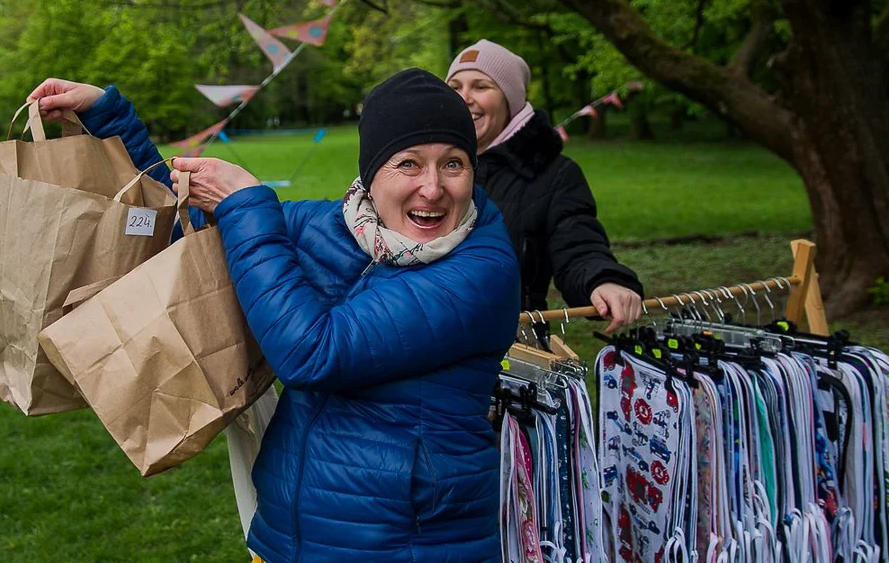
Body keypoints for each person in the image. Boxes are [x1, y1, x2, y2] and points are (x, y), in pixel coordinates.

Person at [28, 71, 521, 562]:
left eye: (453, 164)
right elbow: (195, 224)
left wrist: (245, 204)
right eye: (408, 163)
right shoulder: (342, 227)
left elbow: (313, 353)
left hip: (405, 545)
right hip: (287, 534)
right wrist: (108, 118)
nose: (432, 188)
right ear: (371, 174)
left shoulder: (481, 272)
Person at [446, 39, 644, 332]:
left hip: (511, 347)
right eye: (455, 87)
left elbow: (578, 243)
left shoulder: (554, 175)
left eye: (481, 86)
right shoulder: (423, 169)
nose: (465, 98)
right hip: (425, 341)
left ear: (509, 100)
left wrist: (603, 280)